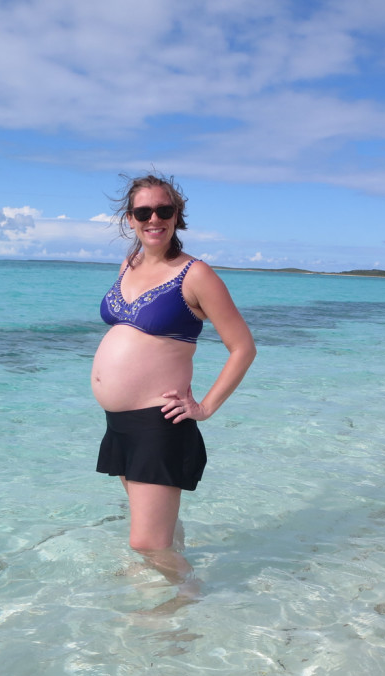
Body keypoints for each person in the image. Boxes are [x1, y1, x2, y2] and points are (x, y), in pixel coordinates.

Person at [91, 173, 256, 605]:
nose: (154, 219)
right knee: (160, 529)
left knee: (146, 541)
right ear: (130, 219)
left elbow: (242, 347)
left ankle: (191, 594)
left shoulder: (196, 274)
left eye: (164, 210)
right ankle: (170, 571)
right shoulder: (128, 264)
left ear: (177, 216)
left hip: (158, 422)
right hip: (121, 422)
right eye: (143, 212)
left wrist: (205, 407)